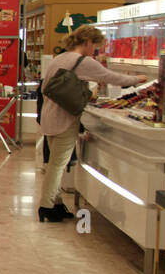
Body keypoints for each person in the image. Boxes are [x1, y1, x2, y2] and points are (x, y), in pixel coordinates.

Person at [38, 26, 147, 223]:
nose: (94, 51)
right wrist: (136, 79)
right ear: (88, 42)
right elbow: (111, 77)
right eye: (95, 47)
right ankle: (46, 205)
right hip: (65, 119)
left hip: (49, 116)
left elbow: (45, 87)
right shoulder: (82, 61)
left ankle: (55, 203)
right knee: (58, 164)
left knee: (53, 162)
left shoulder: (60, 58)